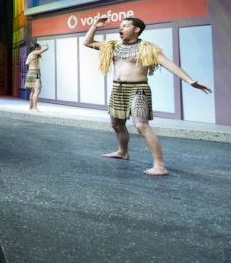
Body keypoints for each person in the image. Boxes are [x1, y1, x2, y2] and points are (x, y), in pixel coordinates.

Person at [83, 15, 212, 176]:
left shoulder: (147, 48)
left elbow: (170, 65)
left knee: (141, 125)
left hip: (138, 89)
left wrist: (190, 80)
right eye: (120, 26)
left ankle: (160, 165)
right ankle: (122, 152)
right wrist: (95, 25)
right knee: (116, 124)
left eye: (125, 26)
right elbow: (87, 42)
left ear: (136, 29)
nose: (120, 28)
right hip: (117, 89)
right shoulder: (113, 46)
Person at [23, 43, 49, 111]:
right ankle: (35, 107)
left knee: (33, 91)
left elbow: (26, 63)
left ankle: (31, 107)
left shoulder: (30, 54)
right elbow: (46, 48)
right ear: (36, 48)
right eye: (39, 46)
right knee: (37, 90)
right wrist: (44, 46)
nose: (40, 47)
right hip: (35, 73)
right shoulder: (35, 53)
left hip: (30, 72)